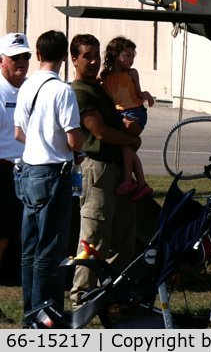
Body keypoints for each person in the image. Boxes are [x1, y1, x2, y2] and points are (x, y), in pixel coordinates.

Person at [69, 33, 144, 303]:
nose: (92, 61)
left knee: (123, 238)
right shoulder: (79, 91)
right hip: (98, 170)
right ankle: (81, 296)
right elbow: (99, 132)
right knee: (93, 237)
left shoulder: (100, 87)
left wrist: (130, 128)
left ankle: (112, 295)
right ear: (74, 59)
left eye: (96, 55)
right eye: (86, 56)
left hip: (117, 169)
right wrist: (132, 139)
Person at [13, 30, 82, 321]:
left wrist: (39, 142)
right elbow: (74, 140)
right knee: (51, 249)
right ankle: (47, 313)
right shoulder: (63, 90)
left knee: (29, 247)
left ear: (38, 55)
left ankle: (31, 311)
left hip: (28, 170)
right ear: (64, 57)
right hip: (53, 173)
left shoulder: (27, 87)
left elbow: (18, 133)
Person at [100, 37, 154, 200]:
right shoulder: (106, 75)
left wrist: (147, 95)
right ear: (116, 55)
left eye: (133, 56)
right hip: (120, 114)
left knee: (125, 143)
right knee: (127, 147)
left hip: (135, 112)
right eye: (127, 55)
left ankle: (127, 179)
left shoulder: (132, 73)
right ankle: (142, 184)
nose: (131, 59)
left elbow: (138, 93)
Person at [0, 32, 32, 279]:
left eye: (25, 56)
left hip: (30, 169)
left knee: (26, 228)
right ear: (2, 60)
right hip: (3, 168)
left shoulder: (32, 89)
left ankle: (15, 273)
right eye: (15, 57)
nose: (21, 61)